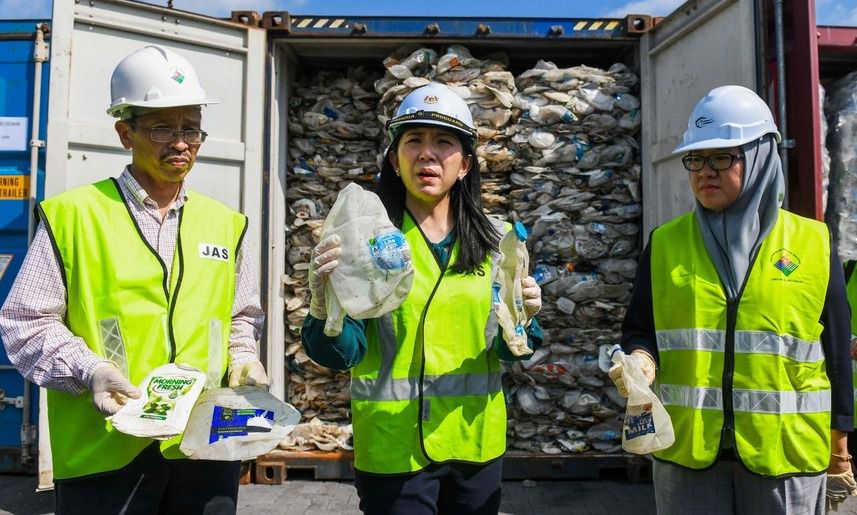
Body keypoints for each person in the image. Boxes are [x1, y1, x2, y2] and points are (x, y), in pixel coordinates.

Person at [0, 45, 268, 514]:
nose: (180, 142)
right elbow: (26, 322)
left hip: (204, 445)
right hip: (107, 450)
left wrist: (244, 360)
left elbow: (239, 316)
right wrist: (93, 371)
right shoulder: (74, 217)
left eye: (191, 128)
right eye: (163, 126)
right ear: (125, 133)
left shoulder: (226, 224)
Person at [609, 85, 855, 514]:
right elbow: (640, 330)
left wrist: (840, 453)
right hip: (688, 456)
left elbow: (835, 357)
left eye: (722, 157)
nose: (705, 171)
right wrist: (640, 359)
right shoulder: (665, 243)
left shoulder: (813, 244)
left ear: (760, 156)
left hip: (785, 459)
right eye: (696, 160)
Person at [300, 82, 543, 515]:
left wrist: (526, 322)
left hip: (474, 445)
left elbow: (513, 350)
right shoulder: (366, 242)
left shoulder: (498, 242)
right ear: (394, 159)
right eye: (413, 141)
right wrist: (325, 315)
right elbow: (343, 355)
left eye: (443, 142)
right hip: (393, 451)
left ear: (465, 164)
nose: (427, 154)